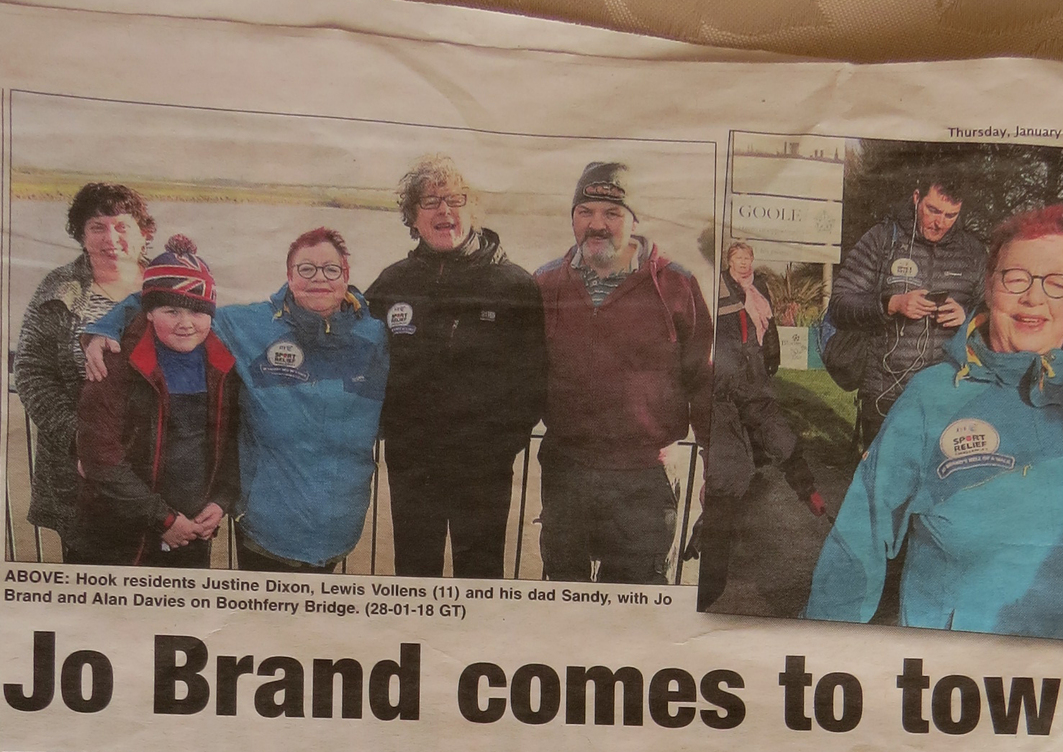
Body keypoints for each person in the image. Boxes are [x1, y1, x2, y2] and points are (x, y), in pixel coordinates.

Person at [807, 202, 1063, 641]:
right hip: (956, 678)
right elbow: (860, 537)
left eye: (1057, 282)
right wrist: (819, 650)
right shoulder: (932, 396)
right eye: (1016, 277)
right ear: (989, 284)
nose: (1034, 298)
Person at [83, 226, 389, 574]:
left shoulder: (375, 336)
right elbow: (173, 297)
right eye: (306, 268)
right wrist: (106, 326)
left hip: (339, 533)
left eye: (330, 269)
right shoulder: (246, 325)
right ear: (289, 276)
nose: (318, 278)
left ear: (346, 276)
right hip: (267, 533)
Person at [366, 154, 546, 578]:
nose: (445, 210)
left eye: (456, 199)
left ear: (474, 212)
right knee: (413, 572)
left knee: (482, 576)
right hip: (413, 463)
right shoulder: (391, 284)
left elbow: (534, 379)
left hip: (483, 468)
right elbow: (361, 362)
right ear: (412, 218)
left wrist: (502, 443)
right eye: (430, 202)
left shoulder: (515, 286)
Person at [535, 161, 713, 583]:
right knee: (561, 602)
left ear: (634, 221)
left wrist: (716, 472)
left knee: (636, 612)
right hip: (566, 471)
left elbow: (705, 382)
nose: (597, 224)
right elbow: (520, 375)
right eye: (585, 212)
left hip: (644, 479)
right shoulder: (545, 283)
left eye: (612, 213)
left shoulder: (676, 284)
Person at [74, 235, 239, 566]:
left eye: (197, 311)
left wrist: (220, 501)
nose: (185, 324)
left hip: (193, 532)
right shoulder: (114, 363)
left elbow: (232, 442)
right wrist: (163, 520)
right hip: (120, 536)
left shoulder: (223, 365)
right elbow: (100, 457)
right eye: (171, 311)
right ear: (147, 312)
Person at [14, 182, 154, 558]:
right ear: (80, 234)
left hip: (161, 465)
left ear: (144, 233)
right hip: (82, 475)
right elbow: (30, 371)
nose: (111, 238)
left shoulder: (173, 284)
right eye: (97, 226)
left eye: (122, 226)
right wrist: (83, 440)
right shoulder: (58, 290)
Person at [699, 240, 827, 608]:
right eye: (737, 259)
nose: (742, 264)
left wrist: (805, 484)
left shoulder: (750, 298)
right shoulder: (716, 296)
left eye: (747, 259)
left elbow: (763, 404)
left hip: (742, 393)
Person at [826, 167, 986, 444]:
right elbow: (840, 305)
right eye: (933, 210)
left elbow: (998, 315)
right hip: (885, 395)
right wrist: (891, 304)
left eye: (951, 215)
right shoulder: (881, 240)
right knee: (885, 484)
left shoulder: (972, 252)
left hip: (947, 396)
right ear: (916, 198)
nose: (940, 223)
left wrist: (968, 317)